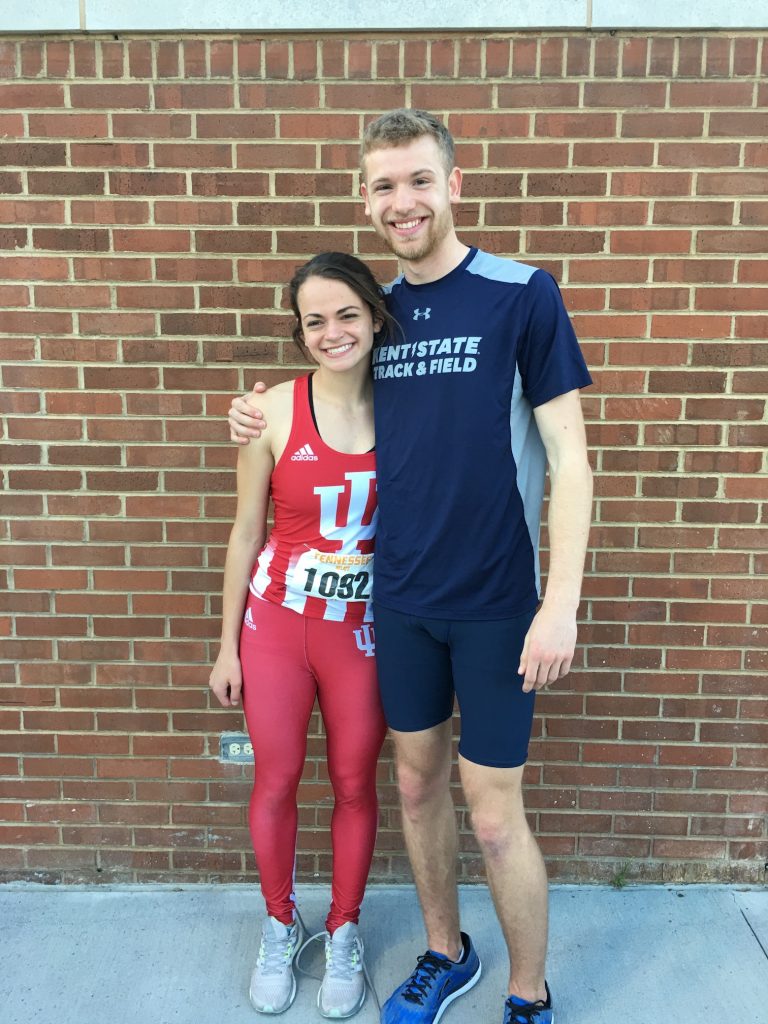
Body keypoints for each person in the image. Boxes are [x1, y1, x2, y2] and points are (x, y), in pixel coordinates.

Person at [228, 109, 594, 1024]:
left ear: (454, 184)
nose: (404, 201)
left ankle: (529, 991)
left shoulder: (521, 293)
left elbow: (573, 459)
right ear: (366, 198)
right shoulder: (376, 314)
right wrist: (251, 412)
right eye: (385, 185)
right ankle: (446, 953)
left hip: (498, 602)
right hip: (399, 603)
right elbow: (318, 394)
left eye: (419, 180)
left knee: (494, 813)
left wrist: (562, 604)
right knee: (414, 784)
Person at [209, 252, 393, 1018]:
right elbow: (245, 528)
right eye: (314, 319)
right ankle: (281, 922)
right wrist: (226, 646)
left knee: (354, 782)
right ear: (300, 331)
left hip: (366, 633)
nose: (332, 331)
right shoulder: (272, 411)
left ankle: (344, 927)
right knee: (276, 778)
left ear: (376, 316)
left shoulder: (409, 404)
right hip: (277, 627)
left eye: (347, 313)